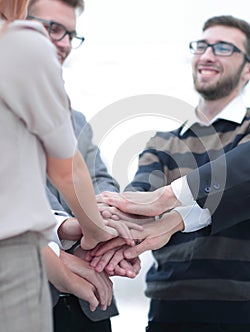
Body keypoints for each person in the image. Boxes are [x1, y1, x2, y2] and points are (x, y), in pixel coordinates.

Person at [96, 15, 250, 332]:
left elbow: (240, 181)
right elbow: (142, 197)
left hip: (240, 310)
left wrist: (167, 206)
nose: (207, 54)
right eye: (202, 45)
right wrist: (117, 226)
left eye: (223, 48)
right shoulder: (164, 141)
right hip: (166, 306)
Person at [0, 1, 137, 331]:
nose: (62, 42)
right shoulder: (20, 42)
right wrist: (93, 231)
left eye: (70, 34)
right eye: (53, 28)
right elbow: (67, 172)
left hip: (88, 301)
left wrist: (100, 218)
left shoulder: (77, 120)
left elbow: (97, 177)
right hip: (20, 270)